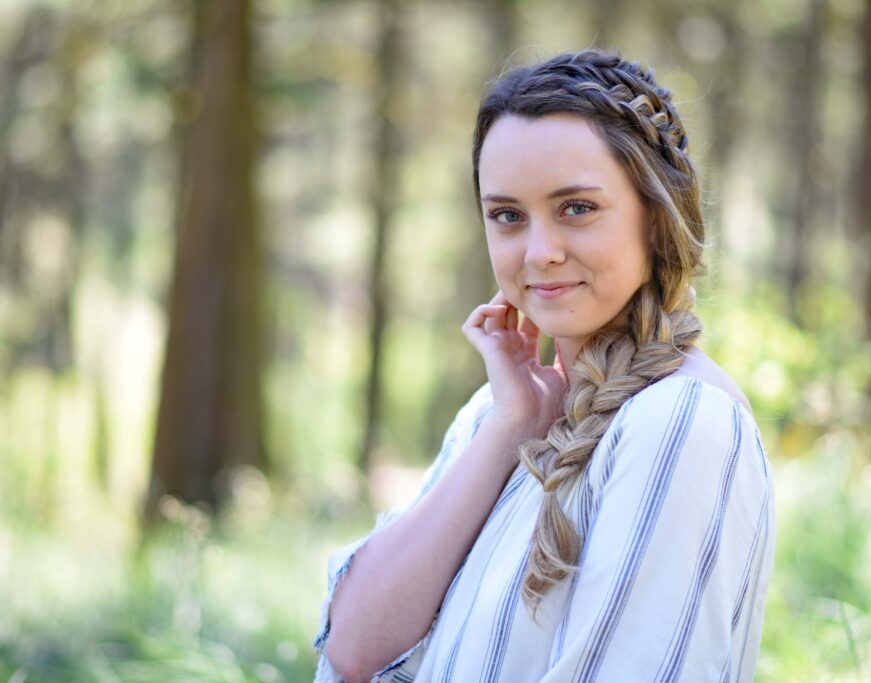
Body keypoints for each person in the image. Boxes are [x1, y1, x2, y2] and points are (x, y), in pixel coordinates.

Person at [311, 47, 776, 683]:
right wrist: (512, 425)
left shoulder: (680, 421)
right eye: (507, 215)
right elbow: (355, 649)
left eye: (576, 208)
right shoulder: (498, 414)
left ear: (656, 214)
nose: (539, 252)